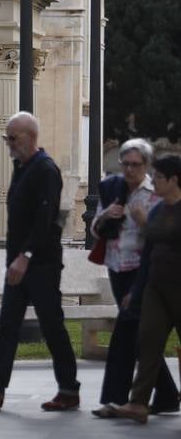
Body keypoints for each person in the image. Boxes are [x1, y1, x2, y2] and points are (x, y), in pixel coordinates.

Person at [0, 111, 79, 412]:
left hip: (41, 264)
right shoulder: (21, 167)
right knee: (7, 324)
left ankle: (69, 390)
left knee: (52, 327)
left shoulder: (45, 170)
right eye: (6, 137)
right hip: (19, 264)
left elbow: (45, 220)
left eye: (13, 137)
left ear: (30, 137)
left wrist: (26, 257)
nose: (8, 143)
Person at [91, 139, 178, 418]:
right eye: (125, 163)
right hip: (120, 269)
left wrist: (143, 221)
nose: (129, 170)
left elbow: (157, 238)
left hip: (146, 271)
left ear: (147, 166)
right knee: (143, 336)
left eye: (135, 165)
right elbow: (95, 230)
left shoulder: (157, 194)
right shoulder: (112, 188)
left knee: (129, 333)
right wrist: (105, 215)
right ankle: (162, 396)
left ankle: (119, 399)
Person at [115, 154, 181, 424]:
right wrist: (136, 290)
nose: (153, 180)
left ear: (174, 179)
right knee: (148, 340)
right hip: (155, 287)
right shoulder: (157, 210)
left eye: (159, 177)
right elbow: (148, 252)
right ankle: (138, 403)